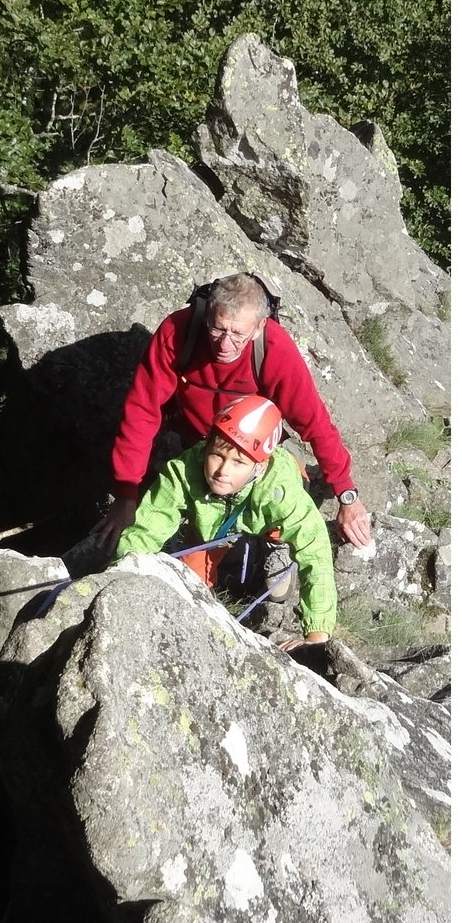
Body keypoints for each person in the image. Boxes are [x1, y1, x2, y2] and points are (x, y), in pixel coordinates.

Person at [94, 273, 372, 554]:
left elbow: (314, 422)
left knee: (288, 493)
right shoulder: (178, 332)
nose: (224, 345)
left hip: (253, 453)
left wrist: (347, 496)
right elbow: (142, 410)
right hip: (198, 450)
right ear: (206, 317)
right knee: (199, 540)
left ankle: (275, 550)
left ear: (259, 327)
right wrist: (126, 496)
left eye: (238, 334)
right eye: (217, 329)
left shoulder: (274, 349)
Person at [115, 395, 337, 652]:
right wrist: (124, 574)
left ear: (259, 466)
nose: (223, 471)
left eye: (239, 462)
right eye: (217, 455)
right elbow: (147, 527)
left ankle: (276, 544)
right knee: (192, 586)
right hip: (212, 526)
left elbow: (315, 547)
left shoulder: (280, 490)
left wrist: (317, 633)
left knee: (278, 558)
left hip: (265, 514)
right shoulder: (185, 471)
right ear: (206, 446)